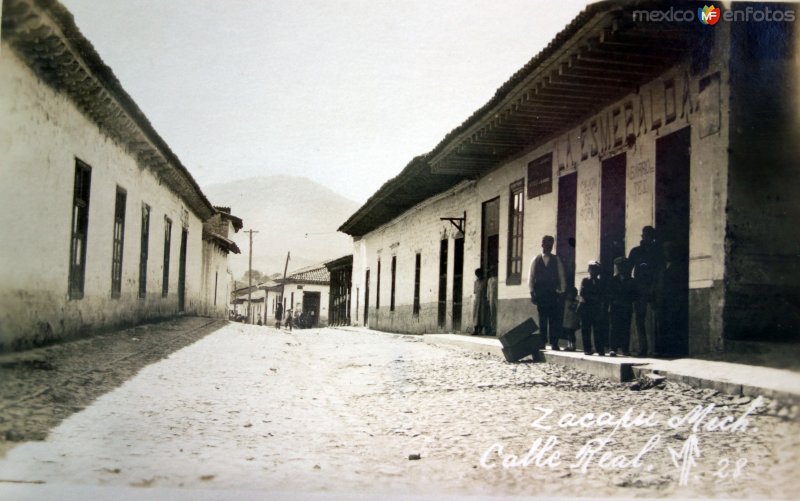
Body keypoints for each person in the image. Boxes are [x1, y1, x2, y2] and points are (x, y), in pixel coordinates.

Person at [528, 235, 566, 350]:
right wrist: (532, 293)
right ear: (542, 244)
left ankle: (554, 342)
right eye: (546, 244)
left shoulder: (556, 259)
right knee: (542, 319)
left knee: (554, 319)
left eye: (550, 244)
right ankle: (543, 342)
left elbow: (561, 276)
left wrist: (562, 291)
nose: (548, 247)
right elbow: (531, 277)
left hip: (553, 295)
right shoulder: (535, 259)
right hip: (540, 295)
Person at [627, 226, 660, 356]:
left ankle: (655, 348)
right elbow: (629, 270)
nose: (647, 238)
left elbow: (659, 270)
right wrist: (631, 288)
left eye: (650, 236)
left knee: (655, 319)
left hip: (653, 289)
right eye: (645, 235)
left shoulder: (657, 252)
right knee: (640, 320)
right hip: (639, 289)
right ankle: (643, 348)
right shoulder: (635, 251)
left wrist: (655, 286)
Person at [607, 256, 635, 357]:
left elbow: (633, 294)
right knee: (614, 328)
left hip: (626, 307)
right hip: (615, 307)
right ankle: (613, 349)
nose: (620, 268)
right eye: (618, 266)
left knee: (625, 328)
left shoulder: (631, 281)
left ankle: (625, 349)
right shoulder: (612, 280)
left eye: (622, 266)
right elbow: (608, 293)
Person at [580, 260, 607, 356]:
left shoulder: (600, 282)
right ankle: (587, 349)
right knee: (586, 329)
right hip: (586, 308)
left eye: (595, 269)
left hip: (597, 309)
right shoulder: (585, 281)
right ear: (588, 270)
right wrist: (594, 297)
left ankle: (600, 349)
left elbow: (603, 295)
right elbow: (583, 293)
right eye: (591, 269)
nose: (593, 271)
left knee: (598, 330)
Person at [561, 286, 580, 352]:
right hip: (567, 321)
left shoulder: (575, 303)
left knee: (571, 334)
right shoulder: (567, 301)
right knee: (569, 334)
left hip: (572, 321)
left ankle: (572, 345)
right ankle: (570, 345)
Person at [472, 268, 486, 335]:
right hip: (477, 300)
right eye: (477, 275)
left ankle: (481, 330)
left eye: (479, 274)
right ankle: (475, 330)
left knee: (482, 315)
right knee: (476, 315)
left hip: (483, 300)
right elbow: (475, 292)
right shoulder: (476, 282)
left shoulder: (485, 281)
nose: (478, 276)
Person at [485, 266, 498, 336]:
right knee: (492, 313)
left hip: (497, 297)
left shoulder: (498, 279)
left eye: (493, 271)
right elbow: (488, 290)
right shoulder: (489, 280)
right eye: (491, 272)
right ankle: (493, 329)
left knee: (497, 312)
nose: (492, 273)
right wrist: (488, 298)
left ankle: (497, 328)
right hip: (491, 298)